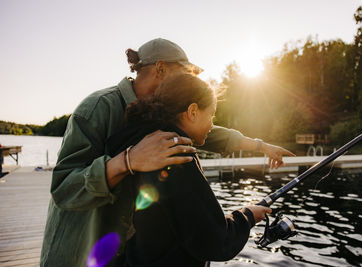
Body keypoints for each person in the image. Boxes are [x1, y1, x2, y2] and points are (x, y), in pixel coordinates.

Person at [40, 38, 294, 267]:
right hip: (78, 252)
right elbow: (64, 187)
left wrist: (261, 146)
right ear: (161, 69)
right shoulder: (99, 108)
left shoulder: (162, 120)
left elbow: (208, 131)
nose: (191, 81)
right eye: (185, 73)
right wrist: (127, 161)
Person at [106, 73, 270, 266]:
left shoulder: (138, 141)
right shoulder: (177, 155)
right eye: (211, 114)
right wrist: (248, 216)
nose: (211, 124)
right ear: (192, 112)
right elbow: (214, 241)